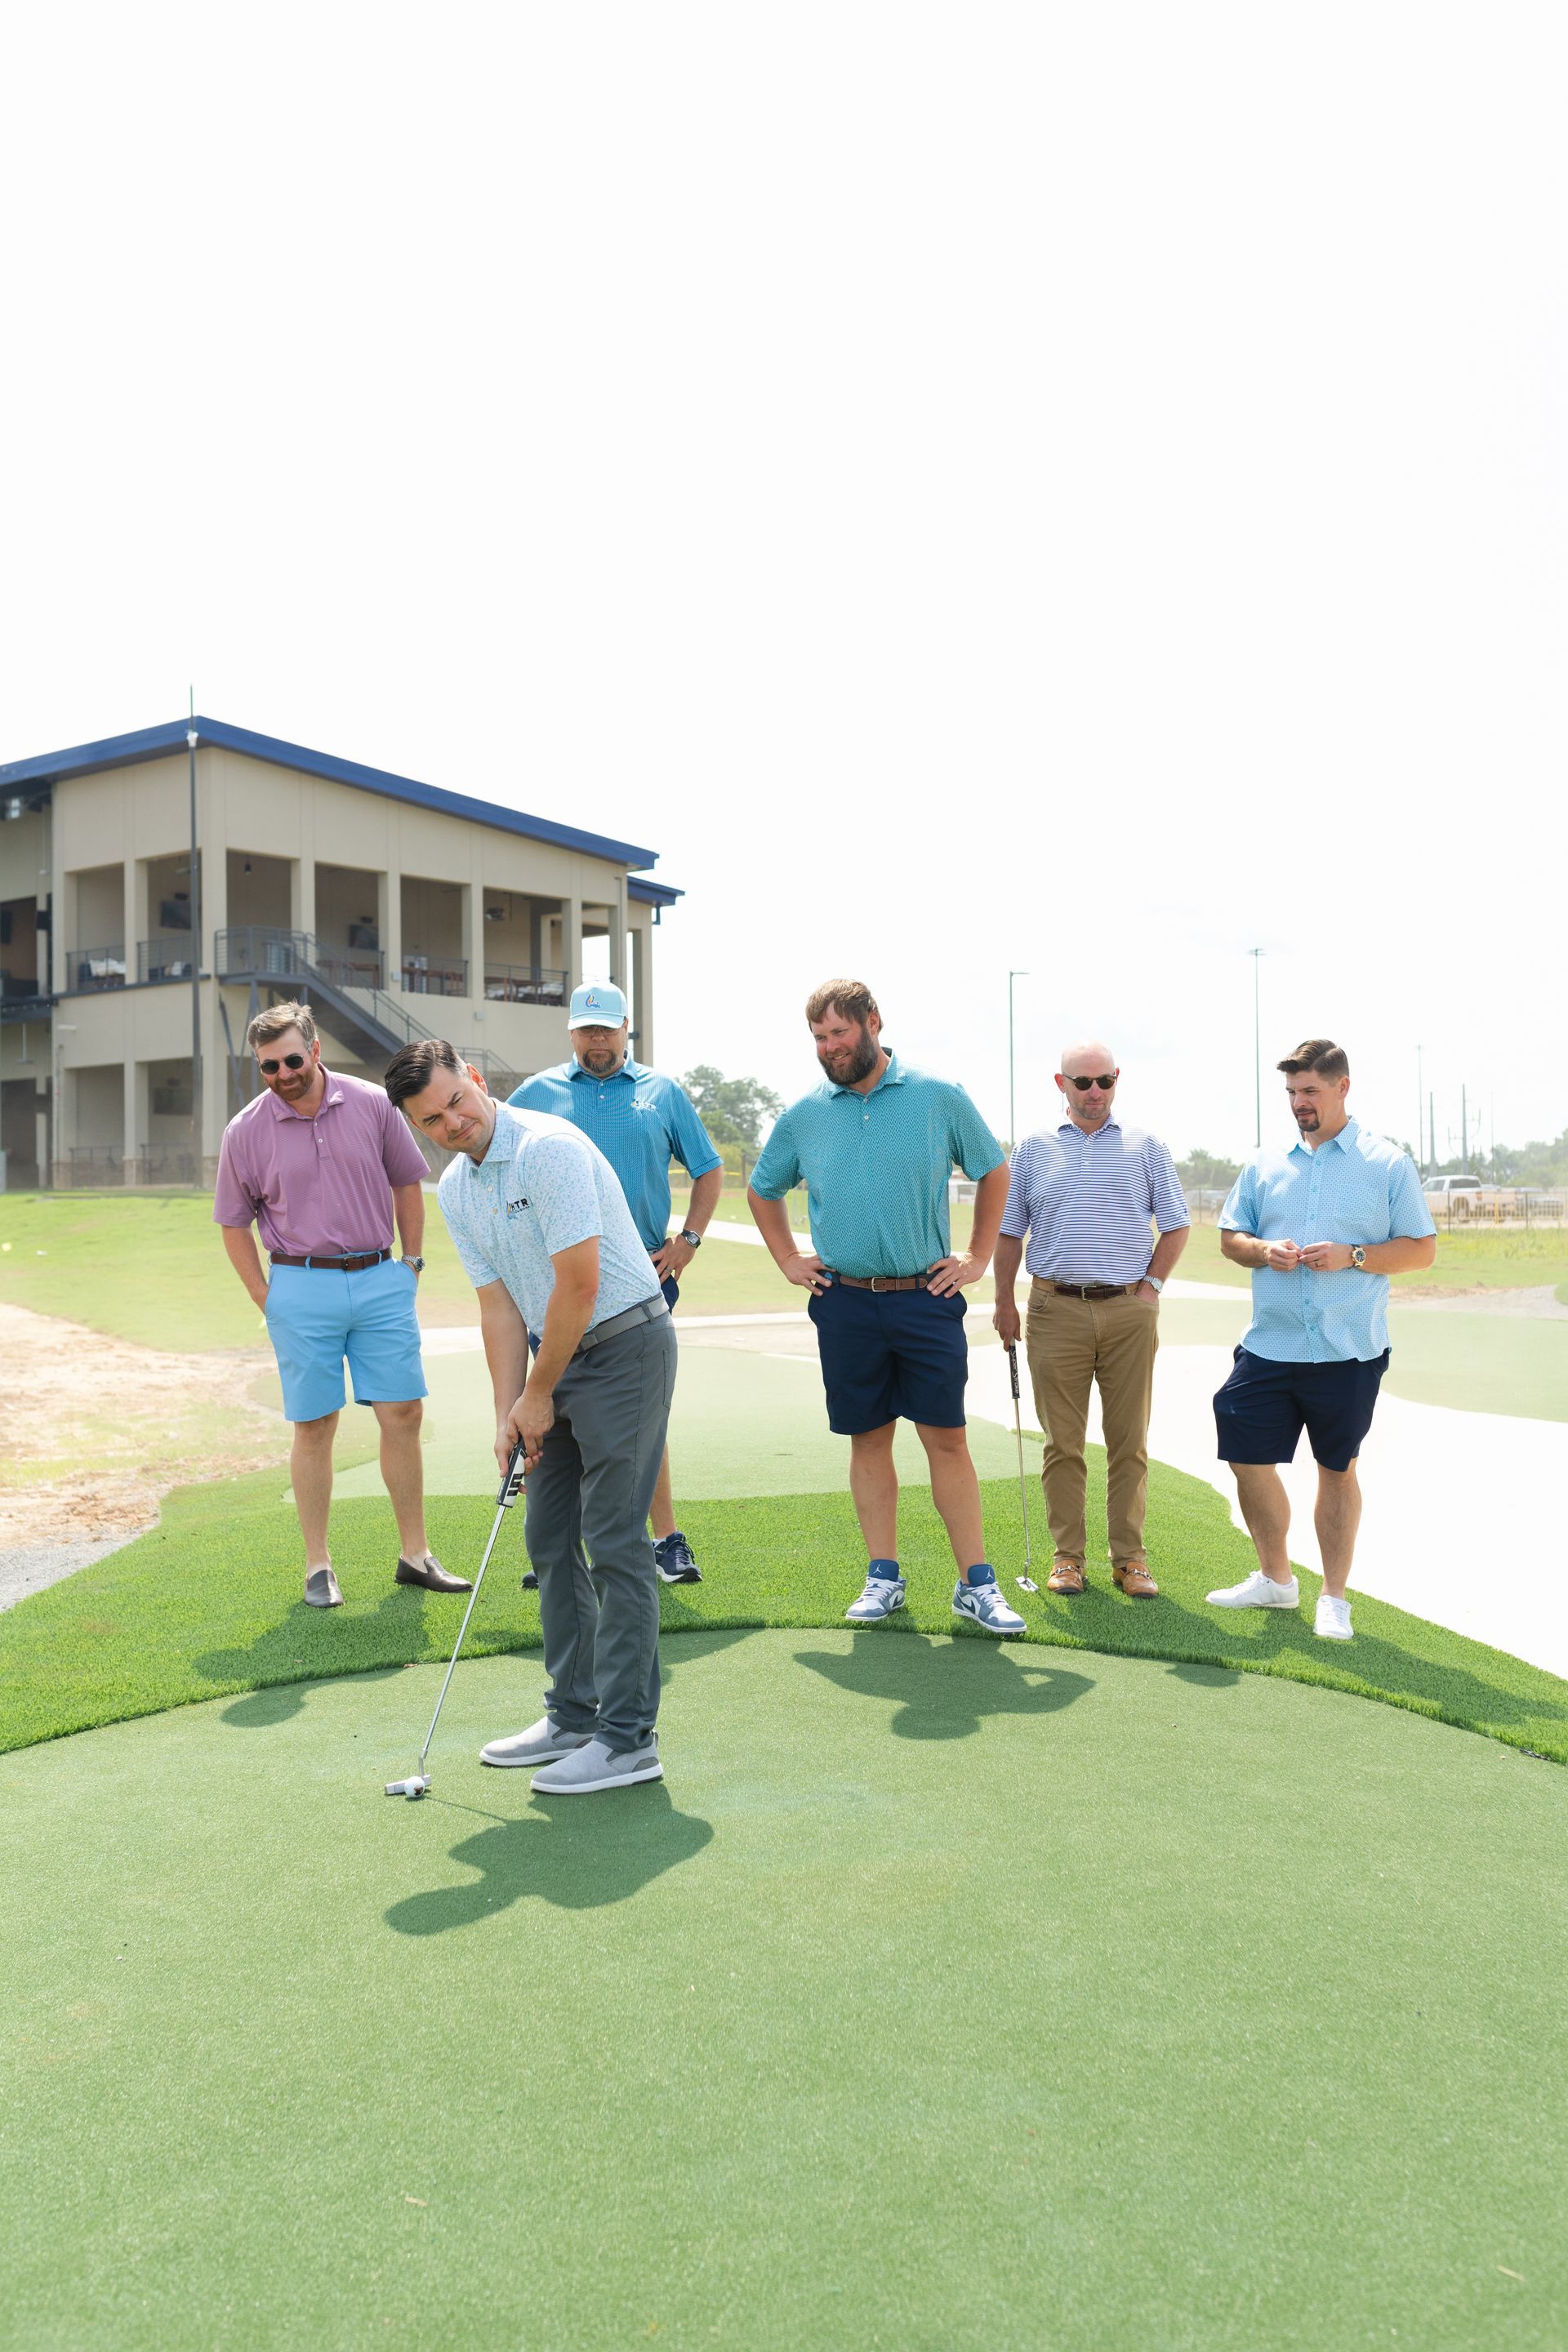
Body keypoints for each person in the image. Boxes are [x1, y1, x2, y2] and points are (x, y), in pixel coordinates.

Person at [385, 1038, 675, 1794]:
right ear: (416, 1126)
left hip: (624, 1347)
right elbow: (499, 1308)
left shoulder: (549, 1150)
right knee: (549, 1537)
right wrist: (509, 1415)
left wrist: (537, 1394)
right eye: (432, 1120)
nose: (453, 1123)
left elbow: (579, 1286)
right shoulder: (456, 1188)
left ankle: (629, 1740)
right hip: (555, 1360)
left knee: (613, 1539)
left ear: (476, 1080)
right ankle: (574, 1715)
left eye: (457, 1101)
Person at [747, 978, 1025, 1636]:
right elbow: (764, 1189)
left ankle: (976, 1584)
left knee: (947, 1440)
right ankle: (884, 1577)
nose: (830, 1047)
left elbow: (994, 1170)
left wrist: (978, 1256)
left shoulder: (938, 1095)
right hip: (844, 1302)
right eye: (820, 1038)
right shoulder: (805, 1113)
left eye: (840, 1033)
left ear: (873, 1022)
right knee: (868, 1439)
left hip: (926, 1299)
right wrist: (787, 1258)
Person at [213, 1001, 469, 1609]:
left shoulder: (373, 1103)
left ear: (315, 1049)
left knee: (403, 1413)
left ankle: (415, 1555)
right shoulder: (244, 1131)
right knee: (314, 1425)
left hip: (380, 1278)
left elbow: (407, 1180)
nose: (282, 1074)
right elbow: (232, 1222)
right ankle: (318, 1566)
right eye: (269, 1066)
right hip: (299, 1287)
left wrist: (411, 1263)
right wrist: (266, 1298)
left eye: (291, 1060)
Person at [1205, 1039, 1436, 1640]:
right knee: (1243, 1453)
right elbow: (1231, 1238)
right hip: (1269, 1345)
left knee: (1336, 1469)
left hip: (1348, 1349)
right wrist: (1263, 1250)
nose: (1298, 1103)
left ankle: (1334, 1597)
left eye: (1309, 1090)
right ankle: (1276, 1579)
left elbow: (1421, 1249)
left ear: (1342, 1087)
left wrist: (1353, 1255)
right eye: (1291, 1092)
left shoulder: (1387, 1164)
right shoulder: (1264, 1164)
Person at [509, 980, 723, 1585]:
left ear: (627, 1028)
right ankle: (558, 1548)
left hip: (641, 1281)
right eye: (586, 1029)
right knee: (555, 1410)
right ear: (572, 1032)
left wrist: (689, 1241)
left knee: (638, 1416)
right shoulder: (535, 1094)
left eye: (606, 1028)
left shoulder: (662, 1093)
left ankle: (666, 1540)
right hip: (555, 1283)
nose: (596, 1040)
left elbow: (708, 1170)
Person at [992, 1042, 1190, 1597]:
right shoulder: (1032, 1150)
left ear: (1116, 1079)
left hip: (1129, 1312)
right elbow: (1009, 1233)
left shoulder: (1147, 1146)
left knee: (1130, 1442)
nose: (1095, 1091)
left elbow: (1176, 1224)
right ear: (1062, 1084)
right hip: (1053, 1311)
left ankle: (1130, 1559)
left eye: (1105, 1080)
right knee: (1063, 1443)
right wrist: (1004, 1302)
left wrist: (1151, 1287)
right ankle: (1067, 1558)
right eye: (1083, 1082)